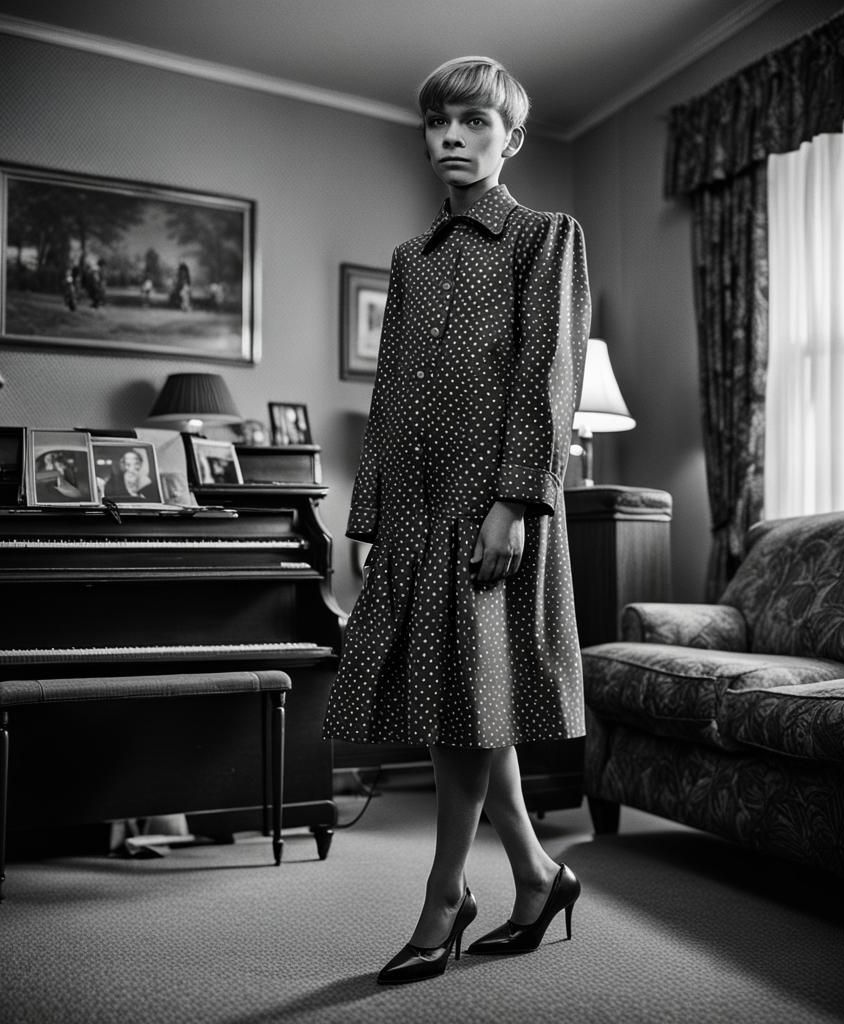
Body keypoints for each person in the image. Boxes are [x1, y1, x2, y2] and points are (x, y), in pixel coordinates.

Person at [322, 56, 591, 986]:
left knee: (470, 700)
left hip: (490, 507)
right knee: (463, 701)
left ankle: (444, 894)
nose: (451, 137)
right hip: (414, 508)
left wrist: (515, 503)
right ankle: (538, 875)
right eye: (438, 122)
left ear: (511, 137)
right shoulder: (410, 261)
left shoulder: (545, 237)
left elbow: (548, 376)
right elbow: (389, 393)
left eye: (475, 122)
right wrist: (368, 515)